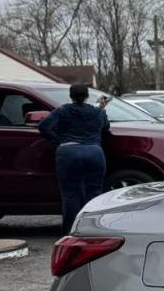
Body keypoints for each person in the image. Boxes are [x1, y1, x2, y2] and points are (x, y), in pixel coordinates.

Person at [38, 83, 110, 234]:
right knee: (94, 194)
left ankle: (70, 232)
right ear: (87, 96)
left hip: (69, 153)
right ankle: (92, 231)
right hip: (94, 153)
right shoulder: (98, 112)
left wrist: (59, 141)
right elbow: (106, 127)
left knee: (70, 194)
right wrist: (102, 109)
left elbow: (44, 126)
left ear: (70, 96)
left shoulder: (63, 110)